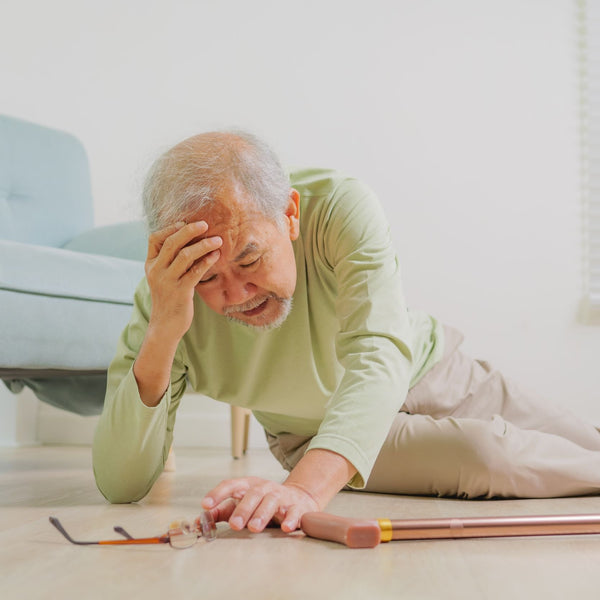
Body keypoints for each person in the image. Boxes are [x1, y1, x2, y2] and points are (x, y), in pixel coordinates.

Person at [93, 130, 600, 534]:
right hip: (316, 433)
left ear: (290, 215)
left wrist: (305, 491)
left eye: (249, 259)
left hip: (436, 371)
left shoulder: (339, 206)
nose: (235, 292)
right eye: (208, 277)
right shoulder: (166, 298)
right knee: (491, 456)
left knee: (584, 442)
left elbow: (378, 350)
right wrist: (164, 331)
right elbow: (120, 483)